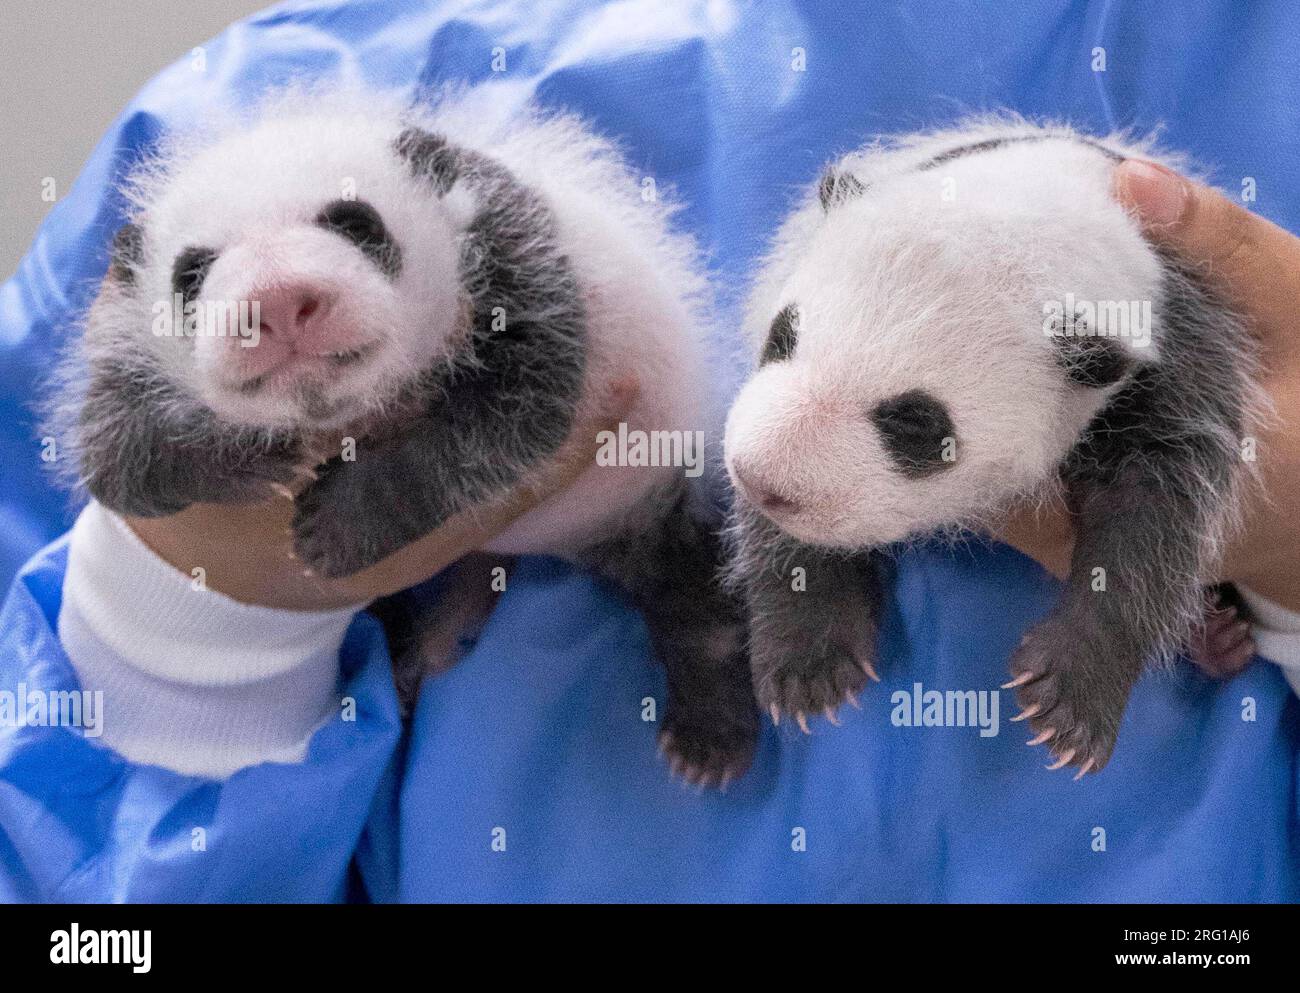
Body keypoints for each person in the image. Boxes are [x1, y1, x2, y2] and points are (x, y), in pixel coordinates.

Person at [1, 0, 1296, 902]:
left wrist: (1270, 565)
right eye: (776, 344)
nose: (760, 453)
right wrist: (196, 617)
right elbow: (77, 894)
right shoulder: (229, 115)